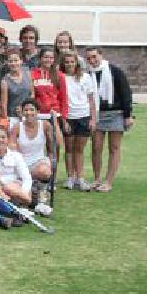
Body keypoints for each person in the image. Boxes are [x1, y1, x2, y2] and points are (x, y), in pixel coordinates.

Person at [85, 46, 135, 193]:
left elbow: (126, 93)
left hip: (116, 113)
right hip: (97, 114)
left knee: (114, 148)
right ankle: (97, 179)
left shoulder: (115, 71)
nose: (92, 60)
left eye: (94, 56)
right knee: (96, 147)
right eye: (88, 58)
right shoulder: (87, 74)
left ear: (101, 55)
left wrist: (128, 115)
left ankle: (108, 181)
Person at [12, 99, 59, 216]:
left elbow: (57, 143)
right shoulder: (17, 127)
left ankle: (42, 202)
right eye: (26, 110)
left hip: (39, 162)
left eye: (32, 110)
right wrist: (21, 166)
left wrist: (55, 122)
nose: (29, 113)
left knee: (44, 171)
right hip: (22, 163)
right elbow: (12, 148)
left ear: (37, 112)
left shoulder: (45, 125)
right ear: (22, 112)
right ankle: (30, 196)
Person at [59, 49, 97, 191]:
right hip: (68, 117)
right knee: (69, 149)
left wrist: (93, 119)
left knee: (79, 149)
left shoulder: (85, 77)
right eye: (67, 62)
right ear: (63, 63)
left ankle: (80, 178)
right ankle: (70, 177)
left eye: (72, 62)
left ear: (77, 63)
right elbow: (60, 100)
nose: (69, 64)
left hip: (83, 116)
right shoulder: (61, 77)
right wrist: (64, 120)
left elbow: (91, 100)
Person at [0, 127, 33, 208]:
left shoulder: (16, 156)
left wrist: (24, 192)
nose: (0, 140)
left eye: (3, 137)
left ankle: (25, 201)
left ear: (8, 139)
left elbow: (27, 178)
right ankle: (23, 204)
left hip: (14, 188)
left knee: (9, 187)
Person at [30, 48, 69, 128]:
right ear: (40, 58)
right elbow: (31, 96)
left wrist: (64, 118)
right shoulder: (32, 74)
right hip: (38, 115)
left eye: (51, 58)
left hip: (55, 115)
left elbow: (64, 98)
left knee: (54, 140)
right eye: (46, 57)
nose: (48, 60)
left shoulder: (59, 75)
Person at [0, 48, 33, 118]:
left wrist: (26, 107)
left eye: (16, 60)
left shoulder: (28, 73)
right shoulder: (5, 82)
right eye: (11, 61)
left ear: (21, 61)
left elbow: (32, 94)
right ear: (7, 62)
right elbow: (3, 105)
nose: (13, 63)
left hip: (28, 114)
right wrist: (6, 121)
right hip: (12, 116)